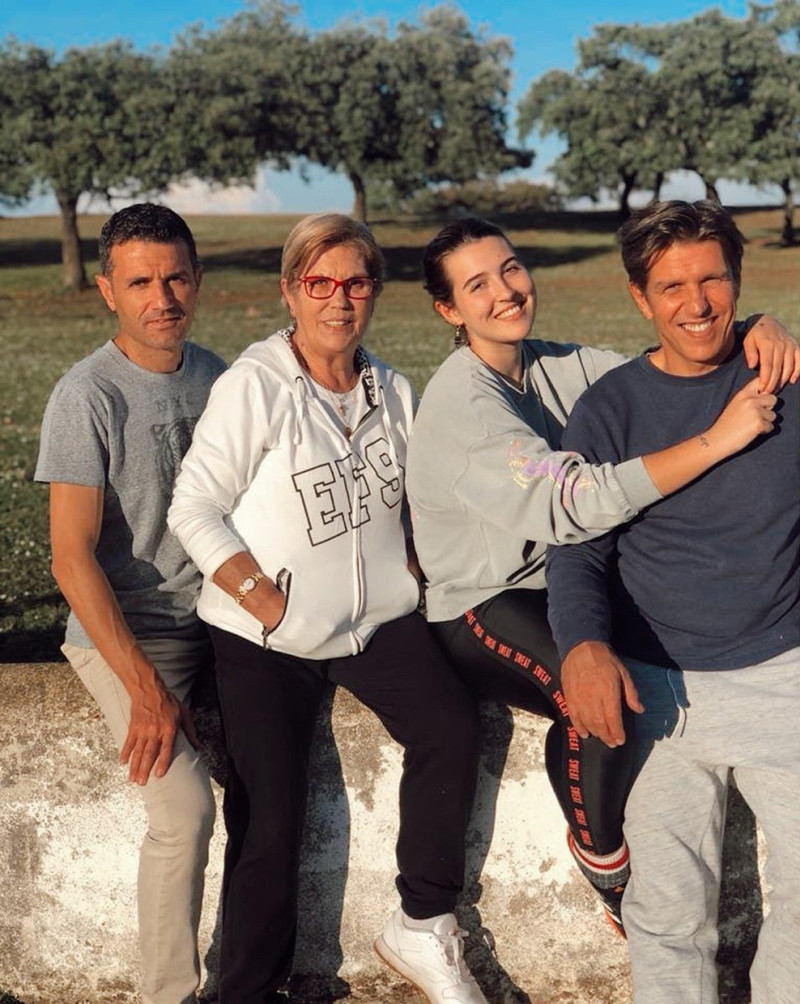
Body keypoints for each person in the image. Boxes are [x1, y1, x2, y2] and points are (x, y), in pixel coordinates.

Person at [405, 216, 799, 936]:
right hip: (480, 601)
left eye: (511, 269)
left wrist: (760, 326)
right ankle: (604, 857)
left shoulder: (552, 363)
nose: (504, 291)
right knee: (592, 685)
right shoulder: (463, 404)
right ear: (449, 311)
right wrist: (716, 441)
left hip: (551, 580)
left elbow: (669, 364)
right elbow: (574, 502)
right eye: (477, 285)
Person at [167, 213, 487, 1004]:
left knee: (452, 729)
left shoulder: (393, 390)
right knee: (269, 819)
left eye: (355, 282)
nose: (338, 300)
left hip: (376, 621)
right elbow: (193, 507)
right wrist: (263, 599)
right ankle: (242, 991)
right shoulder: (256, 384)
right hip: (263, 635)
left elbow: (422, 500)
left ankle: (423, 922)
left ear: (373, 291)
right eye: (319, 283)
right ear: (290, 291)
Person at [545, 200, 799, 1003]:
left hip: (784, 679)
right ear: (639, 298)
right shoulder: (609, 409)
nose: (697, 304)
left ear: (737, 280)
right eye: (672, 286)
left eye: (713, 279)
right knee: (668, 917)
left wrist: (778, 326)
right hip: (658, 694)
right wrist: (583, 645)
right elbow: (575, 546)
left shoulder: (784, 380)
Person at [34, 204, 226, 1004]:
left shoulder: (220, 377)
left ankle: (251, 977)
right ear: (109, 291)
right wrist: (143, 687)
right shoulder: (85, 396)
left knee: (272, 787)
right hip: (122, 632)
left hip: (216, 622)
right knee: (182, 813)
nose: (162, 296)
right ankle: (168, 997)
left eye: (176, 276)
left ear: (196, 280)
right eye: (140, 281)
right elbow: (71, 558)